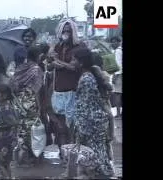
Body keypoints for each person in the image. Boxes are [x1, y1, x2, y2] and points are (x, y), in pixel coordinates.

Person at [47, 19, 86, 159]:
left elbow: (74, 67)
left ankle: (73, 153)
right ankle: (63, 153)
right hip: (58, 91)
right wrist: (51, 62)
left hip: (73, 91)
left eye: (68, 31)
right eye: (64, 31)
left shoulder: (79, 47)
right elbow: (49, 66)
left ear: (73, 31)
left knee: (73, 127)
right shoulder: (57, 46)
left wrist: (59, 63)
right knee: (59, 126)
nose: (66, 33)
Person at [73, 48, 115, 178]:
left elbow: (86, 106)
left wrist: (80, 127)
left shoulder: (86, 79)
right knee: (99, 153)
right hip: (97, 122)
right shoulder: (91, 76)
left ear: (81, 62)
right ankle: (105, 174)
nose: (72, 62)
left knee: (94, 155)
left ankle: (104, 175)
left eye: (74, 59)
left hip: (91, 124)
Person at [10, 46, 44, 165]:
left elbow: (13, 87)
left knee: (21, 129)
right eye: (41, 55)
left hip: (18, 103)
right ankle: (35, 157)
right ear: (37, 56)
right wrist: (40, 107)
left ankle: (21, 157)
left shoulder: (19, 69)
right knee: (34, 130)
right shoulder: (36, 69)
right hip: (30, 102)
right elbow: (36, 90)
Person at [110, 36, 122, 118]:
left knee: (117, 94)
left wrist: (114, 76)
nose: (112, 43)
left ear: (119, 42)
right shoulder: (121, 50)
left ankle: (118, 113)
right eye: (112, 42)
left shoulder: (117, 51)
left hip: (118, 74)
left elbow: (118, 65)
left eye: (114, 42)